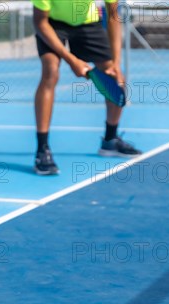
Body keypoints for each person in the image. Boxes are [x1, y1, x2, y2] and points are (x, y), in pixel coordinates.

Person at [31, 0, 142, 175]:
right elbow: (39, 21)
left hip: (87, 23)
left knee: (113, 75)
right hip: (51, 24)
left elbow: (113, 15)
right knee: (50, 71)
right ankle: (42, 149)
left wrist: (116, 62)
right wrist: (72, 60)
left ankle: (110, 139)